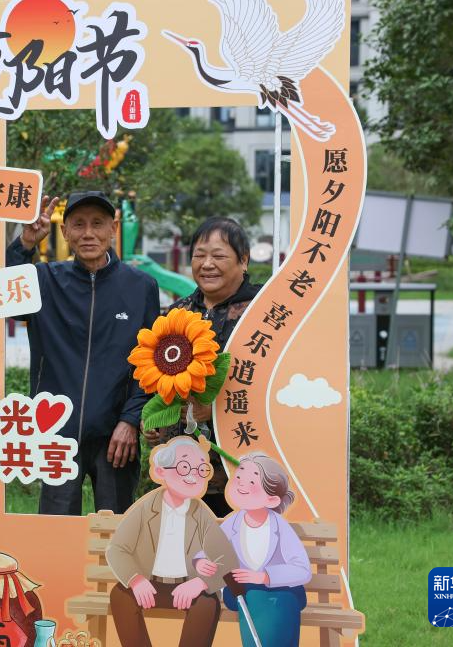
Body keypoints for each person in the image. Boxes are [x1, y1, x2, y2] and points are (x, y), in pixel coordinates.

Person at [6, 191, 160, 516]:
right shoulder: (45, 281)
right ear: (65, 232)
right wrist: (26, 243)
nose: (88, 233)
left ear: (113, 228)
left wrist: (130, 420)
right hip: (57, 432)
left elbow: (150, 361)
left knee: (117, 531)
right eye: (78, 224)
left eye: (97, 223)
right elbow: (6, 295)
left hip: (116, 435)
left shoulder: (141, 286)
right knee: (55, 530)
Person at [146, 217, 262, 516]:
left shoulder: (261, 313)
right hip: (179, 467)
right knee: (178, 539)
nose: (207, 264)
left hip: (239, 469)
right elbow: (160, 378)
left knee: (235, 540)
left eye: (219, 256)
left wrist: (219, 412)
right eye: (199, 255)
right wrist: (155, 419)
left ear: (244, 260)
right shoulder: (178, 312)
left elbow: (273, 384)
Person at [106, 437, 240, 647]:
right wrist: (136, 579)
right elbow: (117, 548)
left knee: (207, 603)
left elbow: (228, 559)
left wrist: (201, 582)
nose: (193, 475)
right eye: (184, 467)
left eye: (200, 469)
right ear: (161, 471)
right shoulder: (146, 508)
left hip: (188, 584)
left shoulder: (201, 514)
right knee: (120, 595)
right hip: (150, 583)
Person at [197, 452, 311, 647]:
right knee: (255, 596)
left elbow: (302, 570)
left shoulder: (280, 527)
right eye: (239, 477)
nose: (241, 484)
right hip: (240, 592)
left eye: (251, 482)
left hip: (281, 593)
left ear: (272, 500)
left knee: (280, 601)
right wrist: (201, 562)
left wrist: (265, 577)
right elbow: (208, 550)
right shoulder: (233, 523)